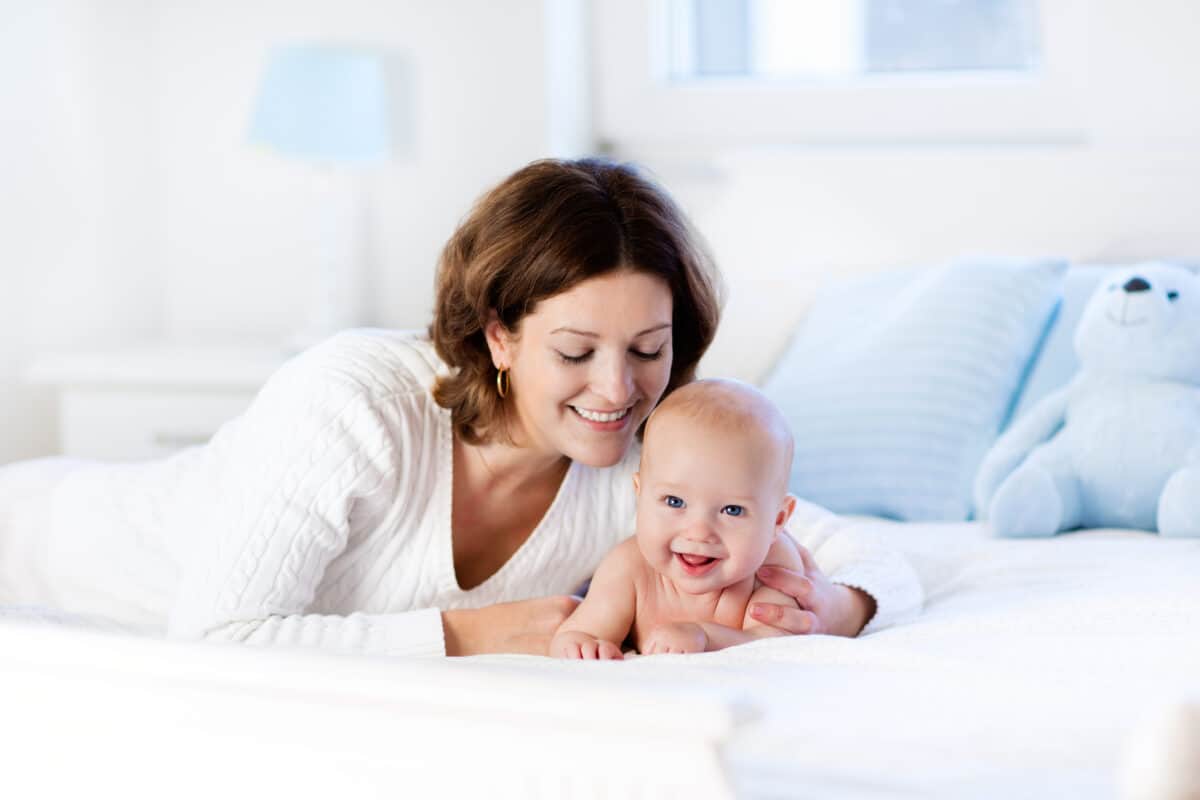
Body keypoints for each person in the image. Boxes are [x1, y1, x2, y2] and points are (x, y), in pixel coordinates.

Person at [0, 158, 922, 657]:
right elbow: (217, 638)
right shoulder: (354, 402)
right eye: (576, 352)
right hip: (47, 545)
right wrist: (466, 633)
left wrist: (824, 607)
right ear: (498, 334)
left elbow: (870, 553)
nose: (618, 392)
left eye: (650, 351)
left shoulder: (657, 472)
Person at [552, 378, 849, 659]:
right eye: (674, 501)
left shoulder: (773, 569)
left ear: (777, 521)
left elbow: (775, 644)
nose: (698, 533)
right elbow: (583, 632)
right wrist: (582, 645)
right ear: (639, 495)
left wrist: (704, 636)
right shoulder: (629, 567)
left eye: (732, 510)